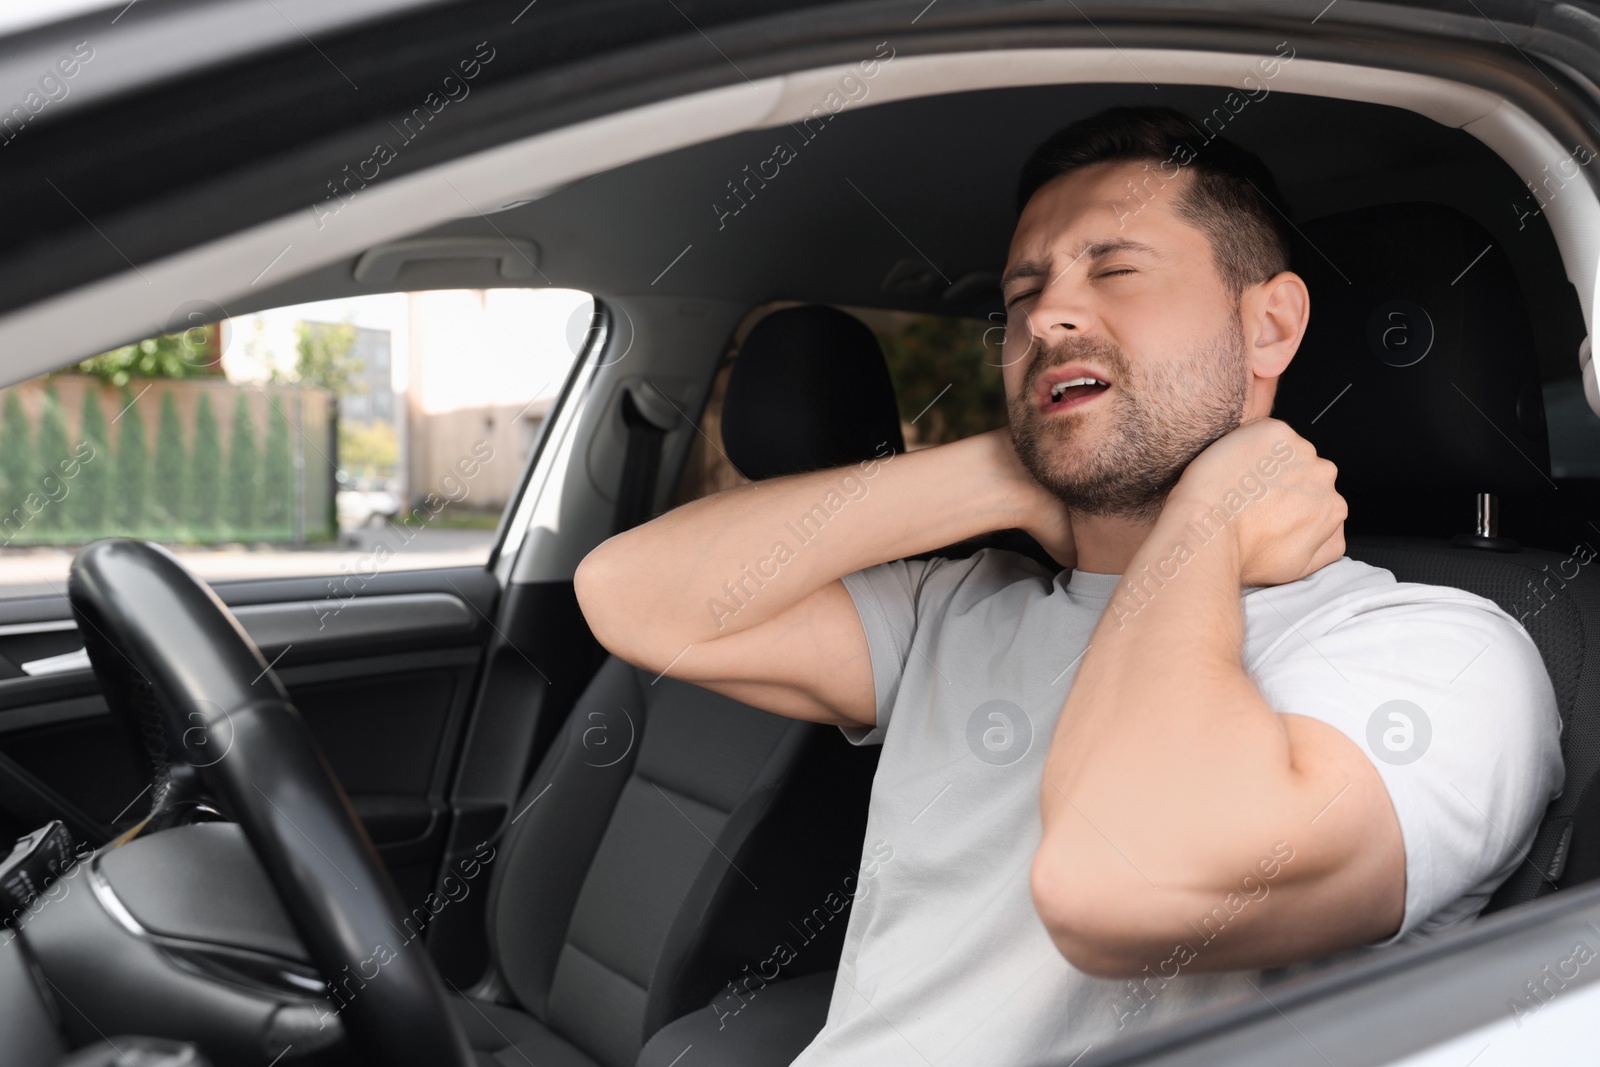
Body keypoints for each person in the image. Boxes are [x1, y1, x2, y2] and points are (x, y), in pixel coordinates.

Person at [574, 105, 1563, 1065]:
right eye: (1019, 298)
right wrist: (1010, 465)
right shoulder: (957, 609)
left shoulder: (1436, 652)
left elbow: (1116, 888)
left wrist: (1206, 524)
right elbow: (628, 590)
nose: (1046, 315)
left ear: (1269, 324)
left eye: (1115, 268)